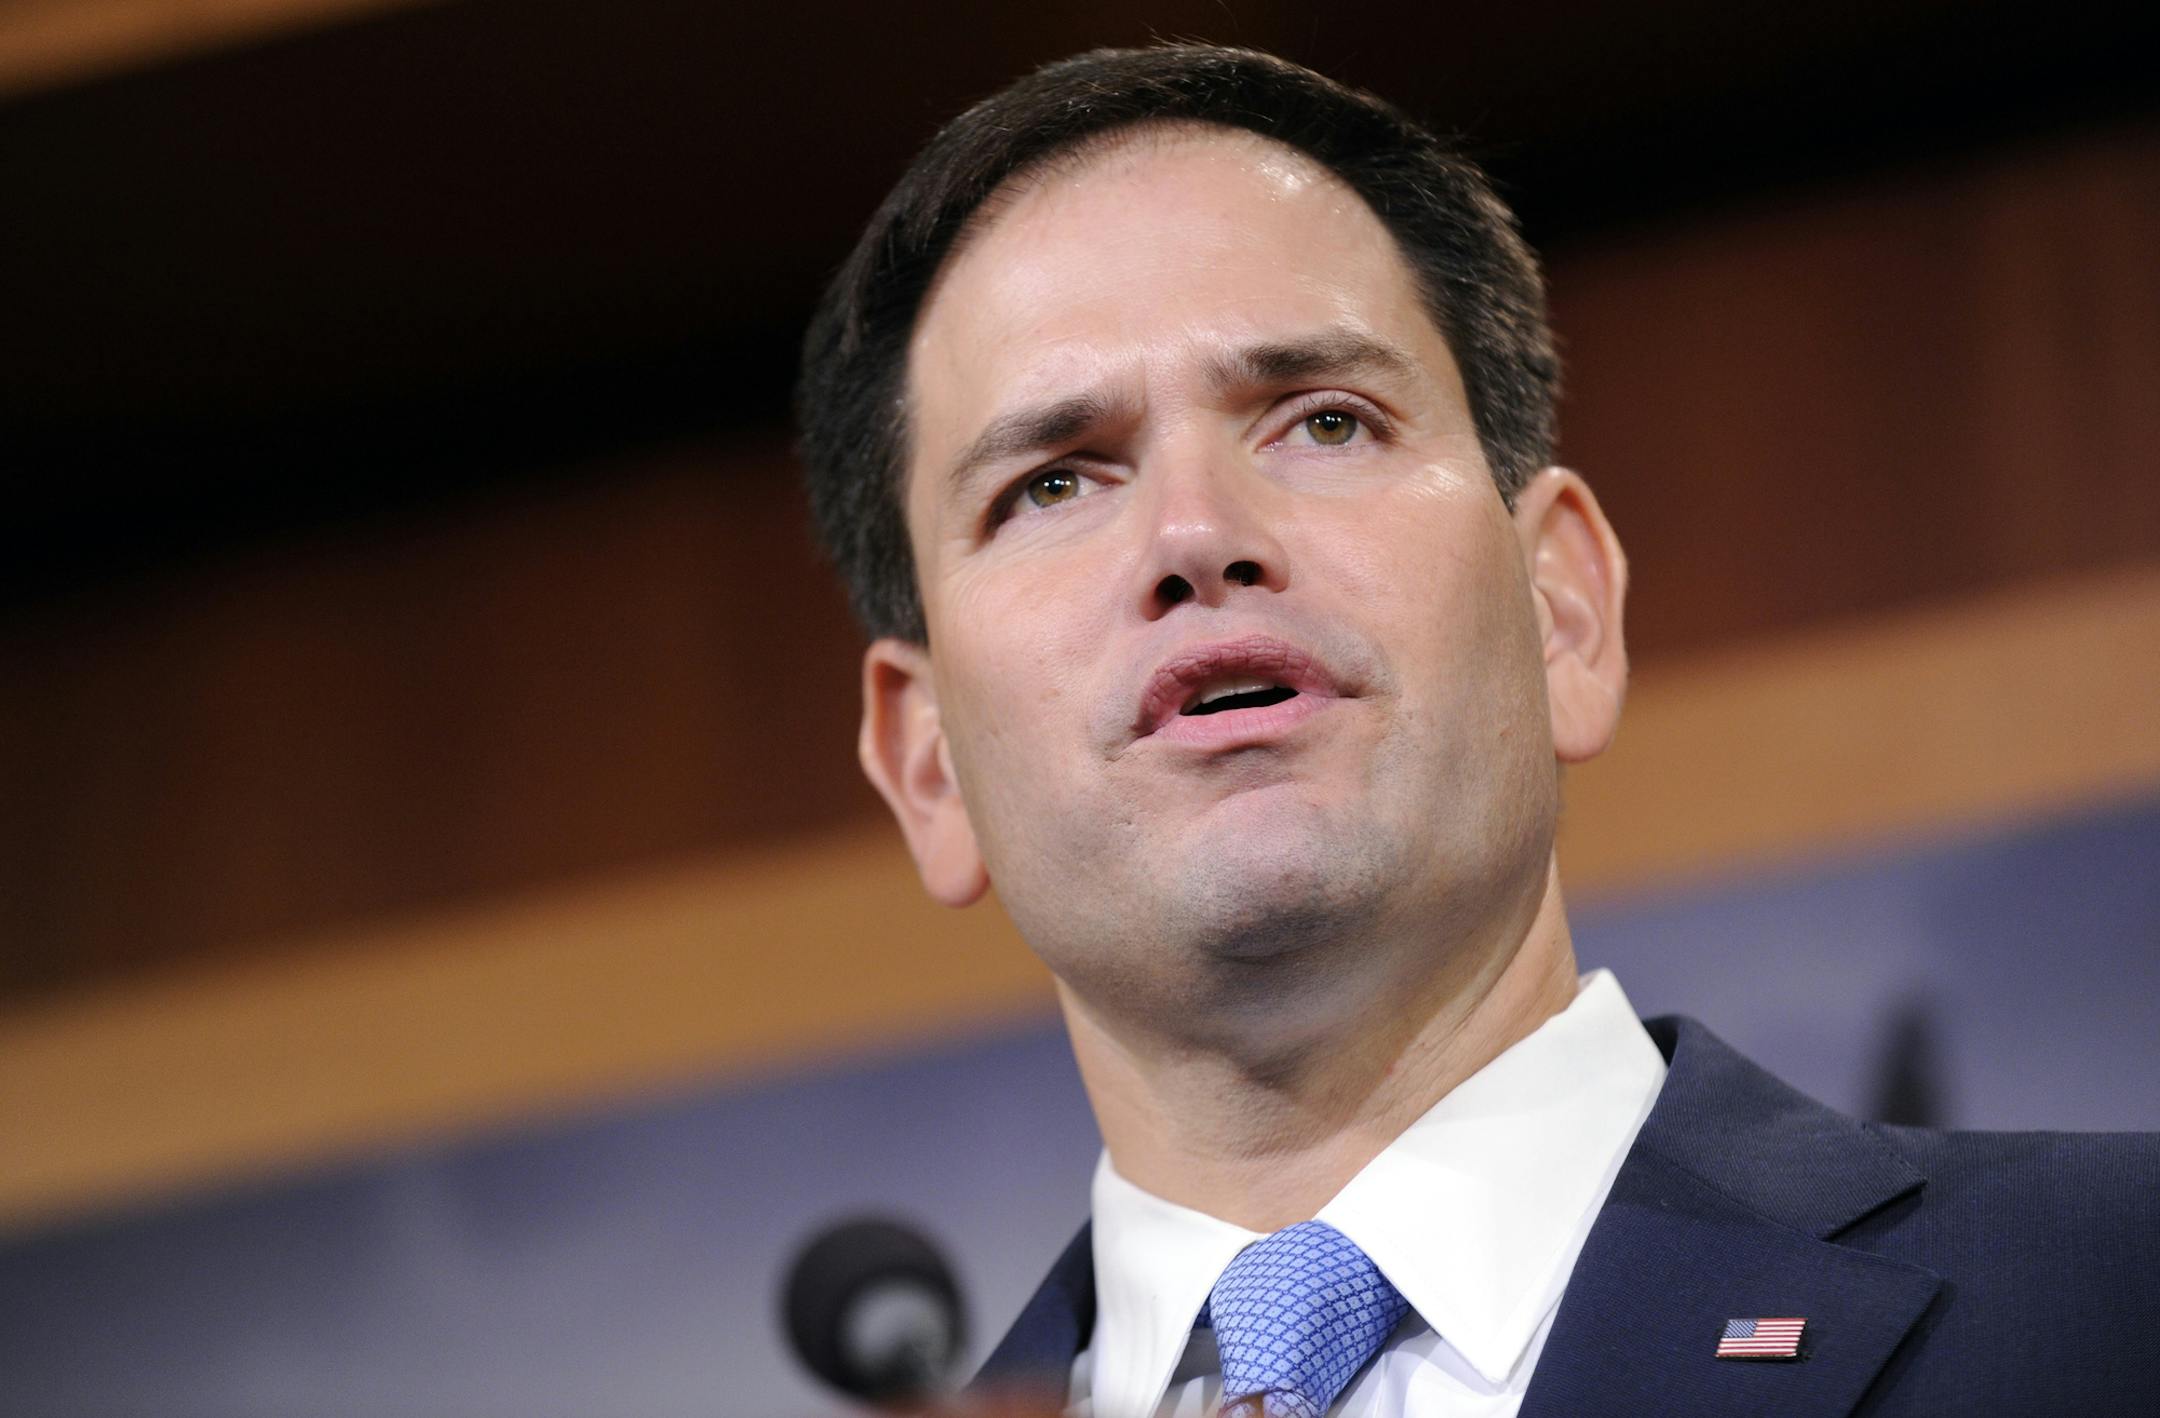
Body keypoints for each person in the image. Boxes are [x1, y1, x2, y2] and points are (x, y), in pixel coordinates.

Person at [794, 43, 2156, 1418]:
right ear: (929, 765)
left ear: (1562, 609)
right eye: (1051, 483)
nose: (1196, 536)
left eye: (1322, 421)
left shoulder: (2119, 1299)